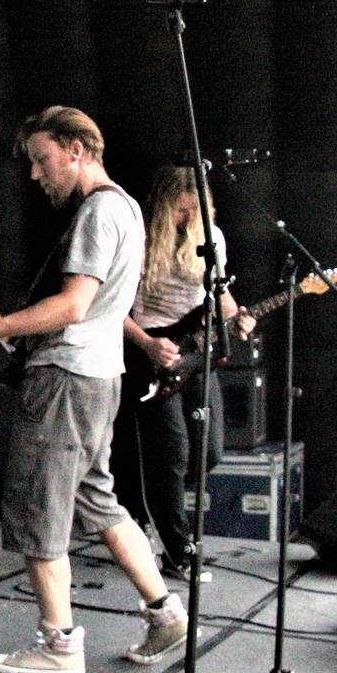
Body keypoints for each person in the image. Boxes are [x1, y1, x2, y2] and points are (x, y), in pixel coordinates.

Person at [0, 106, 188, 673]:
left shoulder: (97, 214)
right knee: (98, 500)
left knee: (39, 507)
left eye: (43, 159)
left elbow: (74, 305)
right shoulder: (126, 208)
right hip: (101, 378)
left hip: (66, 379)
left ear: (76, 150)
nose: (36, 174)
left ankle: (58, 645)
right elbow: (104, 307)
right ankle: (166, 614)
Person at [113, 165, 256, 585]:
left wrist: (239, 317)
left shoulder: (211, 239)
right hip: (151, 353)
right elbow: (111, 306)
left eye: (194, 210)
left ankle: (147, 510)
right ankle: (179, 553)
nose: (187, 219)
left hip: (196, 355)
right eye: (180, 210)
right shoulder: (139, 241)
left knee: (208, 451)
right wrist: (147, 344)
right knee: (172, 453)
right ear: (162, 208)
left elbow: (220, 294)